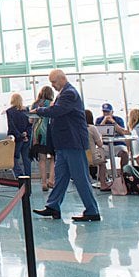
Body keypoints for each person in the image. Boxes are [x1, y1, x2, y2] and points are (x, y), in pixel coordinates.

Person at [31, 70, 100, 222]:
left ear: (62, 79)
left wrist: (39, 111)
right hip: (63, 144)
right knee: (61, 177)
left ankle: (92, 210)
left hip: (72, 143)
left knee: (80, 177)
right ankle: (53, 206)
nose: (52, 86)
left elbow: (58, 111)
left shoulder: (69, 93)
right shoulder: (63, 93)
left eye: (54, 82)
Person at [30, 86, 56, 191]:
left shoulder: (35, 104)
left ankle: (44, 183)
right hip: (50, 132)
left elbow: (30, 121)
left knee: (42, 159)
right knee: (54, 157)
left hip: (37, 134)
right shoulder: (52, 104)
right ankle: (51, 180)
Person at [95, 103, 130, 171]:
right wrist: (104, 121)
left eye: (108, 112)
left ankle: (123, 173)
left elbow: (122, 132)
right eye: (104, 112)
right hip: (105, 145)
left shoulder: (118, 119)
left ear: (112, 112)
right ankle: (103, 176)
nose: (106, 114)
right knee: (99, 156)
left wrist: (113, 122)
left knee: (125, 154)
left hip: (118, 144)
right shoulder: (99, 120)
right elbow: (98, 132)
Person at [6, 93, 32, 178]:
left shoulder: (9, 111)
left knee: (13, 157)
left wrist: (20, 136)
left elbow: (12, 126)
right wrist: (26, 134)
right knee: (26, 158)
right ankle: (28, 177)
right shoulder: (26, 110)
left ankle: (19, 175)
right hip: (26, 138)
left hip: (16, 139)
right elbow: (30, 124)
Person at [84, 109, 111, 191]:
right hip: (91, 158)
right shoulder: (92, 128)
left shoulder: (77, 128)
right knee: (102, 162)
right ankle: (103, 183)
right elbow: (100, 144)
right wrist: (101, 137)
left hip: (81, 156)